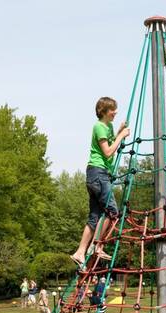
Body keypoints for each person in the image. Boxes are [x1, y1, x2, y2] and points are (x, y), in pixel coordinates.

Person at [70, 97, 130, 269]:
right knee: (113, 212)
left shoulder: (108, 127)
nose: (115, 112)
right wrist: (121, 136)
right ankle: (97, 245)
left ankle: (80, 252)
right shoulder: (99, 127)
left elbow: (110, 146)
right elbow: (109, 152)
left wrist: (117, 132)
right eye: (113, 110)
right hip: (98, 174)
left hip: (97, 174)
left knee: (95, 217)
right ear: (103, 111)